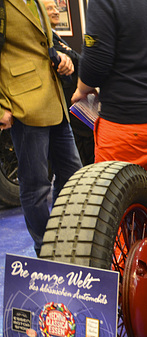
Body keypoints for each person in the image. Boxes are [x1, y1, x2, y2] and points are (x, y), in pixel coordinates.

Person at [72, 0, 147, 277]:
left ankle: (124, 278)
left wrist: (82, 89)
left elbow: (95, 65)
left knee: (114, 200)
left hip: (123, 125)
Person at [0, 0, 83, 255]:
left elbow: (42, 47)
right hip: (23, 103)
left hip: (54, 100)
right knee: (35, 186)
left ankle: (61, 239)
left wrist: (64, 60)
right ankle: (45, 250)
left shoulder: (36, 1)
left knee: (73, 177)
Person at [44, 0, 95, 165]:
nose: (56, 11)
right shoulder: (46, 39)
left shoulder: (57, 37)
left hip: (79, 105)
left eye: (56, 7)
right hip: (68, 105)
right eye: (50, 8)